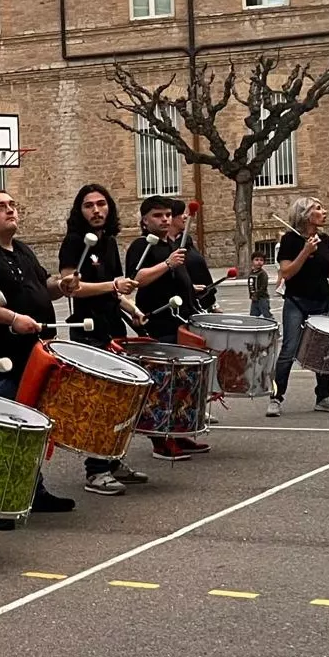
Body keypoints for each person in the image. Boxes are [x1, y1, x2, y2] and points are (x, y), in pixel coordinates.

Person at [0, 190, 77, 529]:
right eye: (0, 207)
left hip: (32, 357)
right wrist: (11, 318)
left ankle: (32, 492)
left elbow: (42, 285)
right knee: (0, 433)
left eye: (12, 206)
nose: (10, 211)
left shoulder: (21, 250)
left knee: (29, 429)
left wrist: (60, 285)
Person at [57, 184, 150, 495]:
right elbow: (73, 288)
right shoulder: (73, 243)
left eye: (101, 204)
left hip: (113, 328)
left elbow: (117, 290)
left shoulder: (109, 242)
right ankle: (96, 471)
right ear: (79, 211)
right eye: (88, 206)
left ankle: (112, 459)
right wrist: (113, 285)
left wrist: (133, 309)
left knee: (120, 402)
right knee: (99, 402)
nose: (96, 210)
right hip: (88, 330)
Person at [125, 196, 209, 461]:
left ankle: (177, 432)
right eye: (157, 215)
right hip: (158, 324)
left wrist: (189, 290)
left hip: (178, 321)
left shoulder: (169, 245)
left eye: (166, 215)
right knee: (162, 387)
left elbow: (171, 280)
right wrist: (168, 264)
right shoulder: (142, 245)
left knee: (180, 384)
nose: (164, 219)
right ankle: (160, 441)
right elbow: (136, 279)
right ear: (144, 220)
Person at [268, 198, 329, 417]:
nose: (324, 212)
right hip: (296, 301)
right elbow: (286, 272)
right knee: (289, 350)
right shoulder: (290, 240)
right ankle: (276, 397)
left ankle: (323, 397)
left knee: (324, 351)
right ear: (305, 215)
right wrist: (305, 251)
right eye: (318, 209)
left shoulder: (325, 239)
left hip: (322, 300)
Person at [170, 199, 218, 313]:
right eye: (181, 213)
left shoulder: (186, 240)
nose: (186, 216)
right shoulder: (168, 246)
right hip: (183, 305)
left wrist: (213, 303)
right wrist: (189, 288)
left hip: (202, 301)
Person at [248, 253, 272, 318]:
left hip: (262, 298)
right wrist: (251, 295)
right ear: (252, 261)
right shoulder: (252, 272)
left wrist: (256, 294)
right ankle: (254, 326)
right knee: (253, 316)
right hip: (254, 298)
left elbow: (263, 286)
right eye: (256, 260)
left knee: (266, 314)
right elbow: (250, 285)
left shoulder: (262, 274)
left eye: (261, 260)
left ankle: (272, 324)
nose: (259, 262)